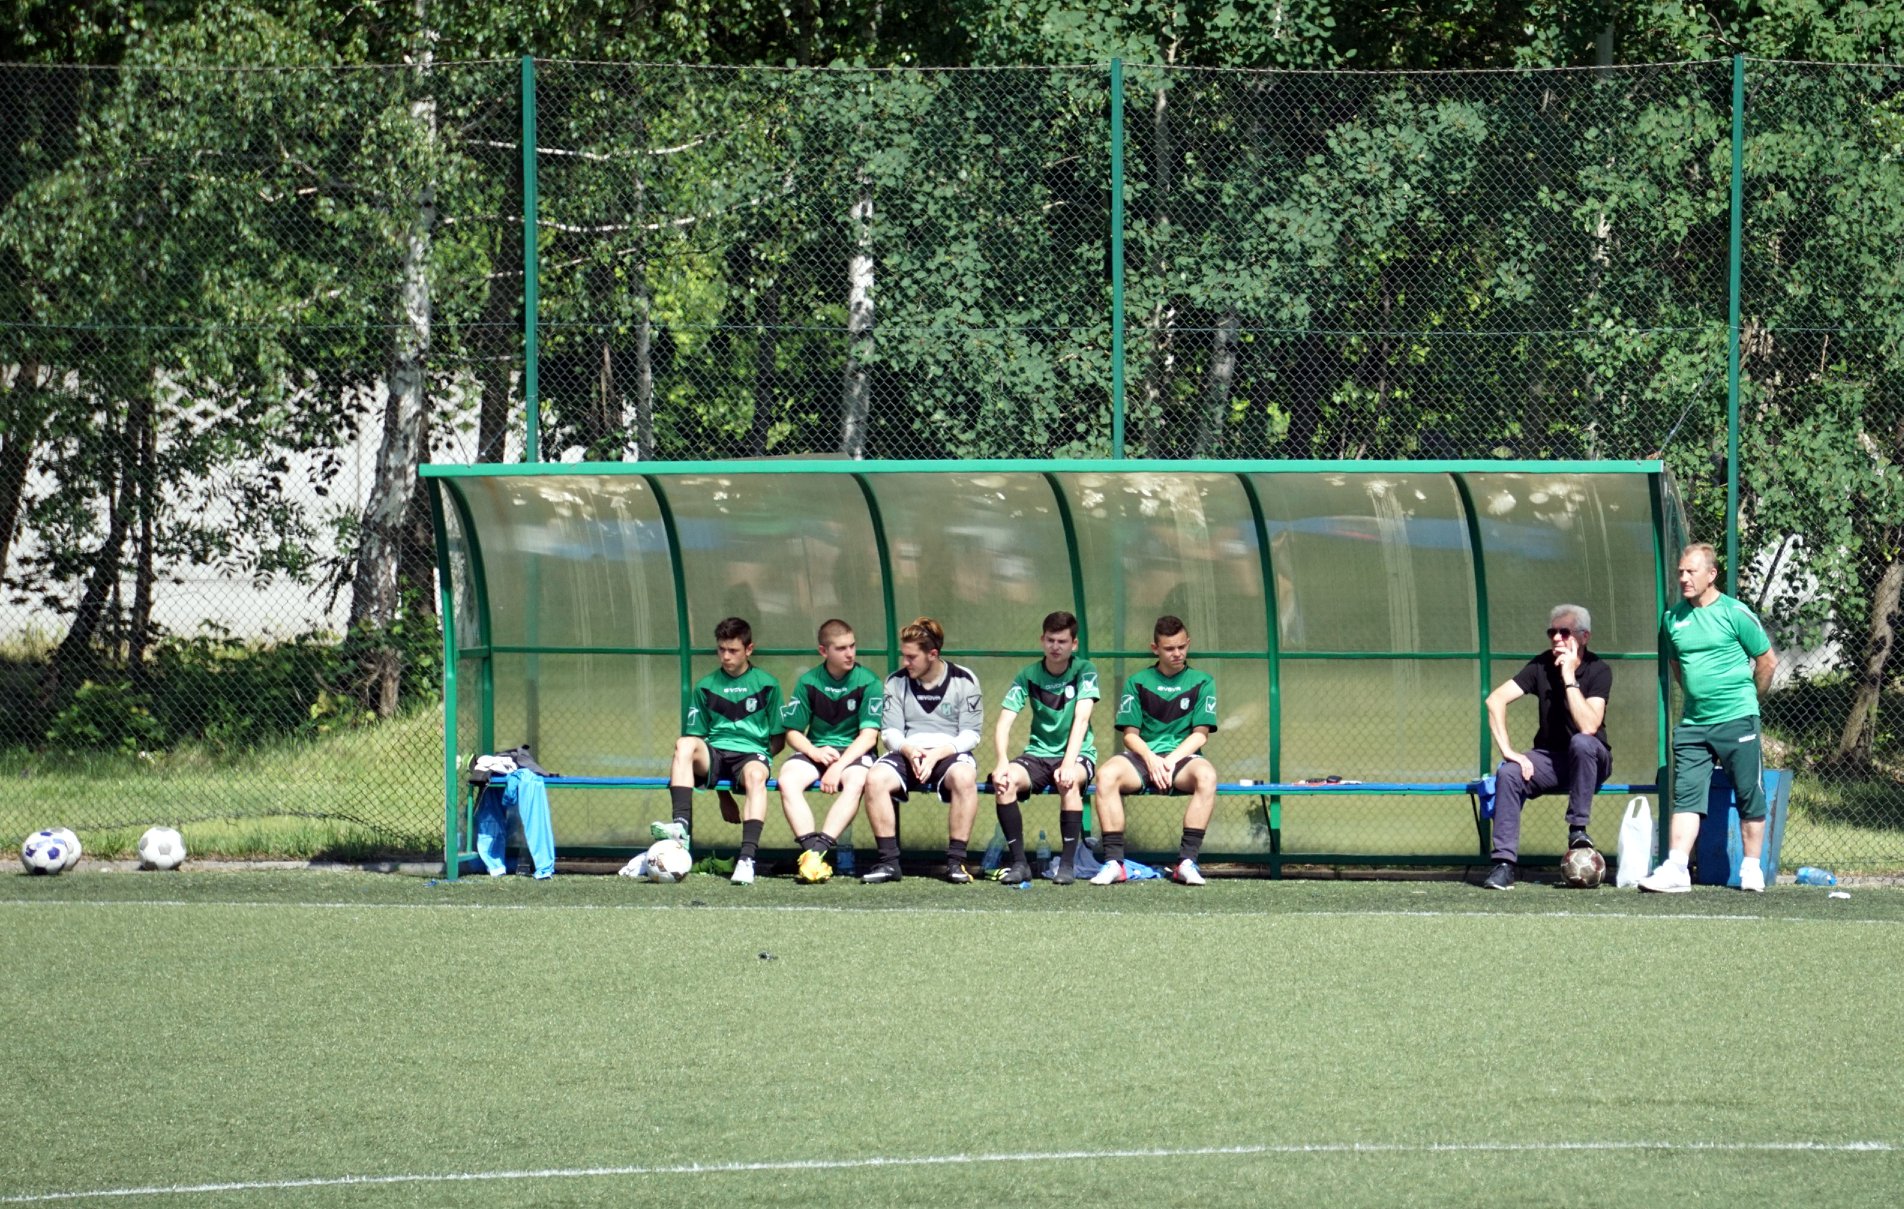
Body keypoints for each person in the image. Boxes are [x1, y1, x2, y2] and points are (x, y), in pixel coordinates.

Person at [1641, 543, 1779, 893]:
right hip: (1693, 725)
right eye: (1681, 572)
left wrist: (1750, 701)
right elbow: (1677, 666)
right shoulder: (1672, 619)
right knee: (1686, 796)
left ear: (1711, 574)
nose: (1684, 578)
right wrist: (1697, 698)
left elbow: (1767, 661)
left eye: (1692, 571)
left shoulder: (1735, 613)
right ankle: (1676, 869)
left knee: (1749, 794)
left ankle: (1751, 869)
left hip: (1738, 719)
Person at [1478, 604, 1613, 890]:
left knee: (1581, 742)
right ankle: (1504, 864)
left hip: (1592, 759)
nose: (1556, 638)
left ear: (1584, 637)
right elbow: (1495, 700)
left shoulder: (1599, 670)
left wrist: (1569, 677)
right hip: (1551, 760)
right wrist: (1508, 751)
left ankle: (1578, 830)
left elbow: (1589, 726)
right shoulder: (1540, 665)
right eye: (1552, 632)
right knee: (1509, 773)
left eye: (1565, 632)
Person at [1092, 615, 1220, 886]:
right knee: (1106, 775)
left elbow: (1200, 735)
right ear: (1155, 649)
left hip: (1182, 760)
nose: (1177, 653)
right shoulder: (1137, 681)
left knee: (1207, 776)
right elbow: (1130, 735)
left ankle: (1186, 863)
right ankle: (1115, 864)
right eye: (1169, 648)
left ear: (1188, 643)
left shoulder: (1203, 681)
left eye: (1182, 647)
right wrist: (1151, 759)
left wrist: (1170, 761)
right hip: (1143, 758)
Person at [661, 617, 784, 885]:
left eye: (733, 650)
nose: (726, 656)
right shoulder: (705, 686)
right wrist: (723, 795)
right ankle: (680, 827)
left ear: (749, 649)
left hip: (752, 755)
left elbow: (778, 739)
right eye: (721, 649)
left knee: (755, 775)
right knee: (684, 744)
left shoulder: (768, 684)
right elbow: (697, 736)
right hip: (715, 754)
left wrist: (761, 762)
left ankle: (747, 860)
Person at [861, 617, 983, 884]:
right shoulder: (895, 682)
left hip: (949, 753)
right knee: (875, 778)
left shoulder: (964, 680)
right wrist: (909, 749)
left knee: (964, 777)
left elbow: (971, 734)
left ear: (933, 654)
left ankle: (955, 863)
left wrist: (938, 753)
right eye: (904, 656)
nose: (905, 662)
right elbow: (890, 732)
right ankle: (889, 863)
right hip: (908, 750)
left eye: (911, 657)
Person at [989, 610, 1100, 885]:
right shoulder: (1028, 675)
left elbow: (1082, 719)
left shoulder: (1085, 670)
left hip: (1078, 754)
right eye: (1050, 640)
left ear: (1074, 644)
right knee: (1004, 782)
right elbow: (1003, 722)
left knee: (1068, 782)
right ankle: (1019, 864)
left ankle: (1067, 866)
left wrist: (1068, 763)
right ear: (1042, 640)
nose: (1055, 647)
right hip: (1038, 754)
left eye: (1062, 641)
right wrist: (1002, 761)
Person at [777, 618, 885, 884]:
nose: (850, 653)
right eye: (841, 648)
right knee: (787, 779)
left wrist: (838, 766)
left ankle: (817, 852)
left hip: (854, 754)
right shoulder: (808, 682)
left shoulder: (869, 682)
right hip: (818, 750)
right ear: (823, 651)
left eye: (852, 646)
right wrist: (815, 752)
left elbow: (869, 737)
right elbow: (792, 733)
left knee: (857, 781)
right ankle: (811, 855)